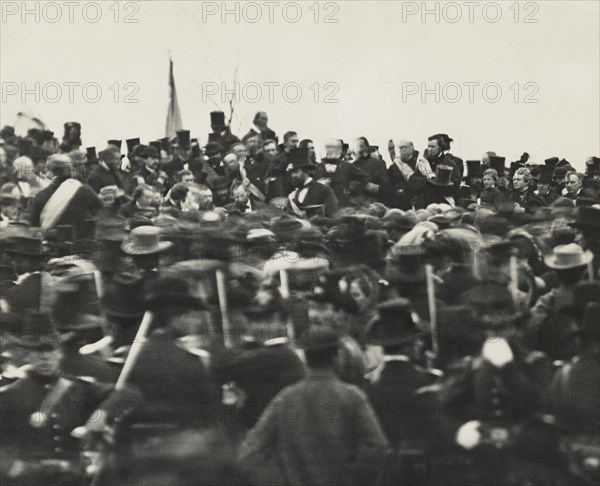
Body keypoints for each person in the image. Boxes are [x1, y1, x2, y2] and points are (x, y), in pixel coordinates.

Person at [0, 312, 142, 486]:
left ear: (60, 353)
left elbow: (129, 393)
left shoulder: (78, 388)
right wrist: (13, 467)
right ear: (27, 355)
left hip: (72, 480)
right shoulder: (10, 394)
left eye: (51, 350)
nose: (45, 357)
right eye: (37, 351)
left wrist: (99, 416)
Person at [237, 325, 389, 486]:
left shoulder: (285, 399)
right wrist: (354, 479)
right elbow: (377, 447)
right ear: (337, 356)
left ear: (305, 358)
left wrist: (280, 481)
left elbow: (248, 455)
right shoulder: (352, 397)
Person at [27, 154, 103, 240]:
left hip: (54, 244)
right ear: (70, 169)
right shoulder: (84, 190)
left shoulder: (41, 195)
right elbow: (99, 205)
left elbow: (33, 222)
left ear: (50, 172)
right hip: (82, 241)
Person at [287, 147, 339, 217]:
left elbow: (332, 217)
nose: (292, 176)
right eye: (290, 173)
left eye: (295, 171)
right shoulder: (293, 195)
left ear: (306, 170)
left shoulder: (324, 191)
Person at [351, 137, 392, 206]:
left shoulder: (378, 164)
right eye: (356, 147)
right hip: (356, 204)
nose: (359, 149)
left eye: (361, 146)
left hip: (374, 203)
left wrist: (374, 188)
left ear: (367, 148)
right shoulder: (350, 166)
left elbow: (387, 187)